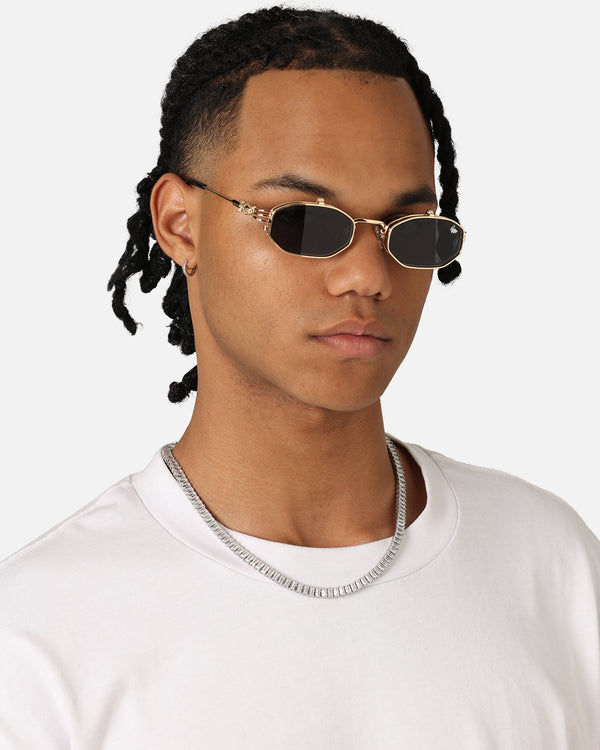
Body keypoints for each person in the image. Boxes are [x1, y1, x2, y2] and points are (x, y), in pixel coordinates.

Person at [1, 6, 598, 748]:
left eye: (411, 231)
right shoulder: (38, 640)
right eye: (306, 223)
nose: (367, 275)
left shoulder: (551, 564)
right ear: (180, 223)